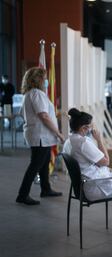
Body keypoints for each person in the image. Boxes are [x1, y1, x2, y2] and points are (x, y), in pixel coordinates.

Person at [63, 108, 112, 201]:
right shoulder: (83, 142)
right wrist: (99, 139)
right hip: (95, 188)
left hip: (84, 185)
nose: (92, 129)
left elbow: (88, 162)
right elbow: (106, 161)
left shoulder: (69, 141)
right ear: (84, 128)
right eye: (90, 126)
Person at [16, 67, 64, 205]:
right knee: (35, 165)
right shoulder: (36, 93)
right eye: (44, 78)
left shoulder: (29, 94)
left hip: (39, 135)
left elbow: (23, 113)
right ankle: (22, 194)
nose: (46, 80)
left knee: (44, 163)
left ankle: (46, 188)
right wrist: (58, 133)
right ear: (39, 79)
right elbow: (43, 115)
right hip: (40, 135)